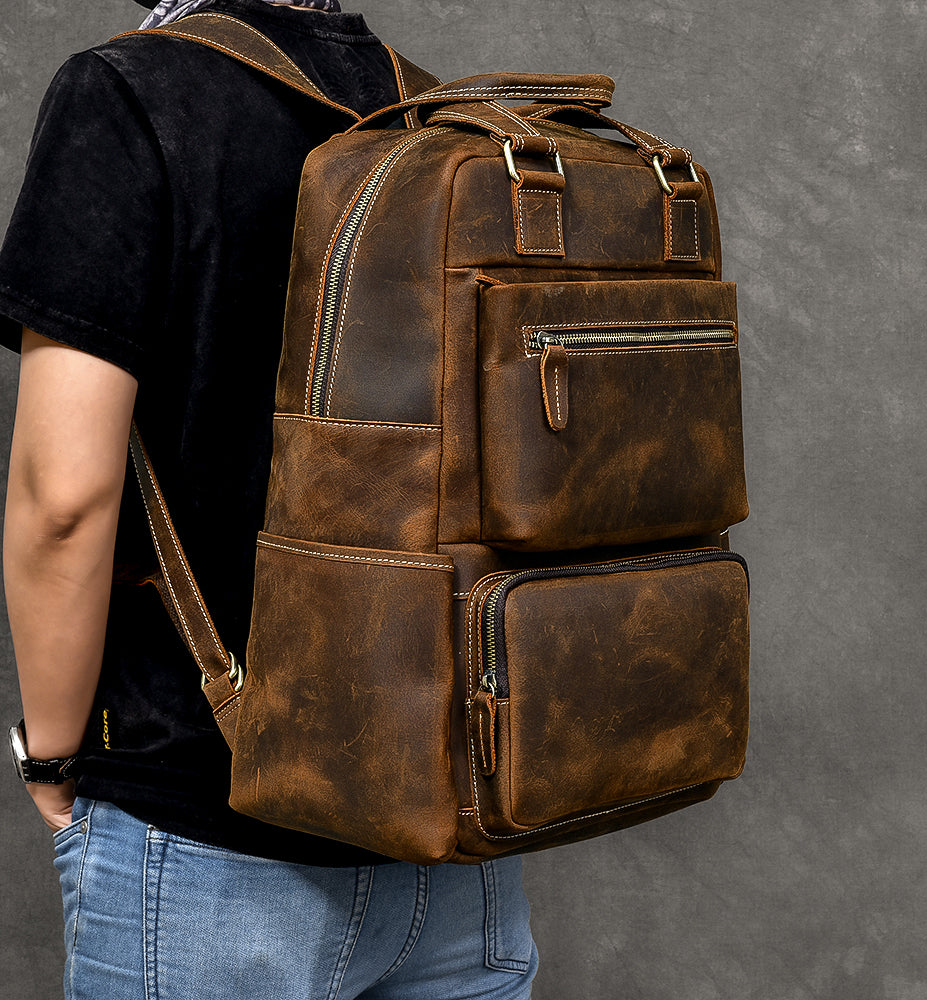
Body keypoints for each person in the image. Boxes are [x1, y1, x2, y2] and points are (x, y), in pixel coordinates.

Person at [0, 1, 537, 997]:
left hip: (207, 834)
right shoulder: (429, 111)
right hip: (454, 845)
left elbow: (62, 497)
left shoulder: (127, 94)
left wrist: (53, 759)